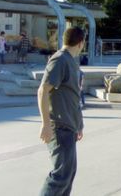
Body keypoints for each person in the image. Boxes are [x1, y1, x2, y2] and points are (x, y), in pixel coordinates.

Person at [38, 27, 85, 195]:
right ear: (81, 43)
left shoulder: (71, 62)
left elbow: (72, 96)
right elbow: (43, 90)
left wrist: (79, 124)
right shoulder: (59, 60)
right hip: (59, 127)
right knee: (60, 175)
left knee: (68, 174)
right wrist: (45, 125)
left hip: (70, 127)